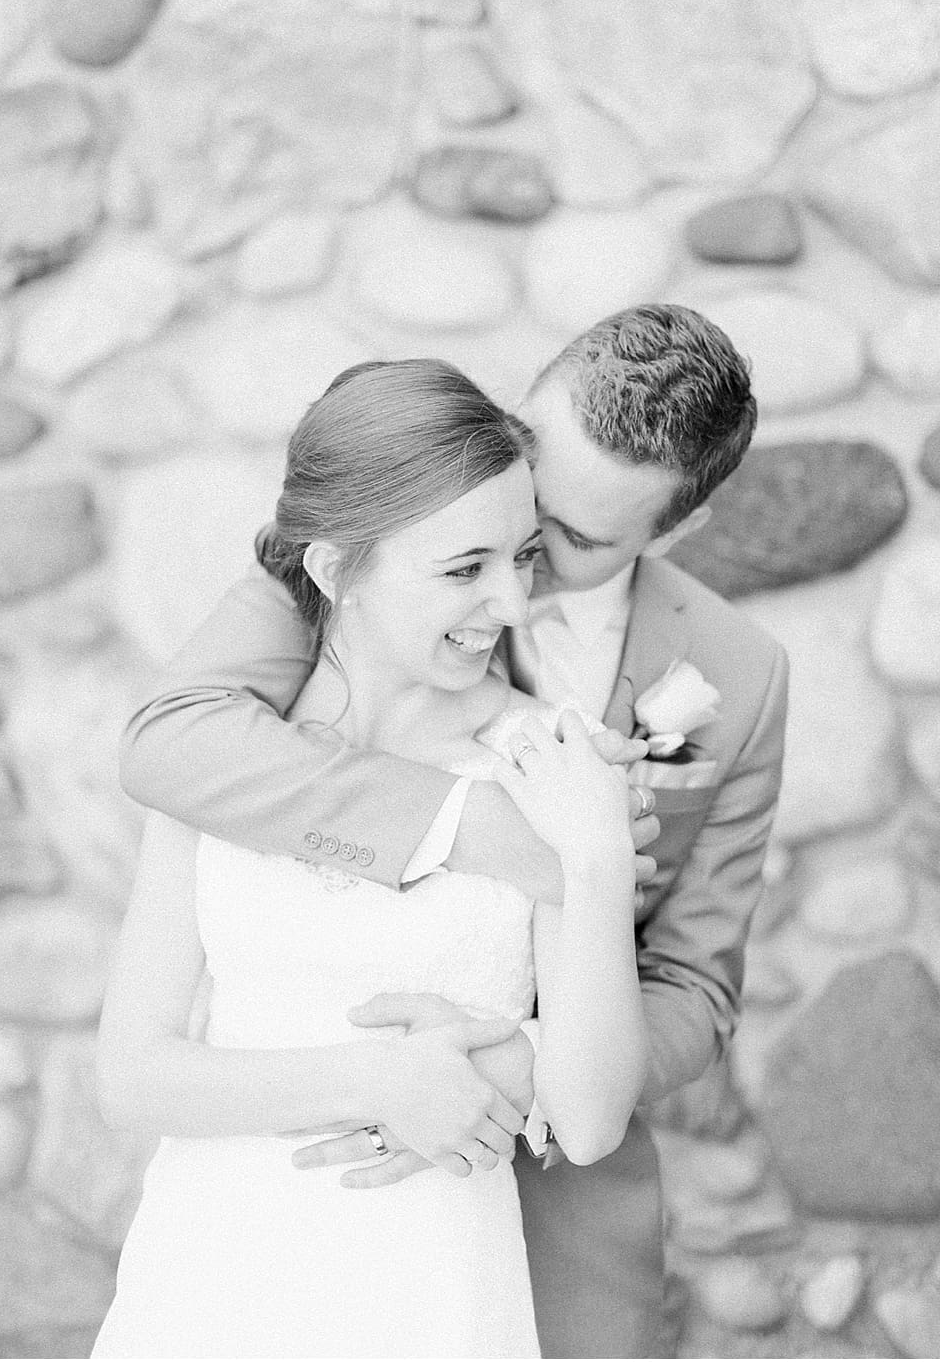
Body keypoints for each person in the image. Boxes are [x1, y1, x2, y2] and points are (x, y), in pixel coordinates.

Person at [119, 305, 788, 1357]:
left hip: (544, 1206)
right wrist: (471, 825)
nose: (515, 596)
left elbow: (698, 984)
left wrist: (531, 1055)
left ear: (674, 530)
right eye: (527, 487)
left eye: (562, 542)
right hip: (248, 1229)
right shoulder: (361, 538)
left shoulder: (739, 674)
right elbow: (170, 745)